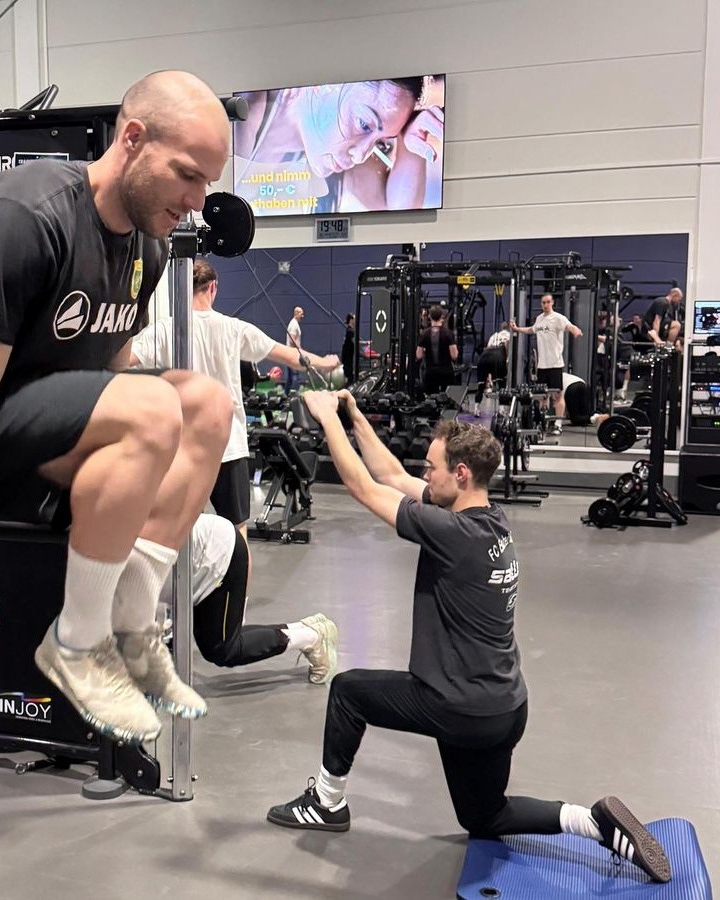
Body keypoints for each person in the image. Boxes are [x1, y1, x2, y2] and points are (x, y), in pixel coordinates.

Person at [0, 70, 236, 744]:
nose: (196, 203)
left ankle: (132, 629)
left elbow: (111, 367)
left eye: (207, 185)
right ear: (132, 139)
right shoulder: (28, 214)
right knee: (158, 408)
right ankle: (77, 644)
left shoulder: (149, 247)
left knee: (208, 405)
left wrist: (165, 466)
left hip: (33, 415)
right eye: (188, 175)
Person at [264, 390, 673, 885]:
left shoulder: (450, 533)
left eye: (433, 467)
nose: (425, 474)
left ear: (460, 474)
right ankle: (592, 823)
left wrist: (326, 418)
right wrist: (354, 415)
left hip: (458, 708)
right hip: (505, 707)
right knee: (483, 817)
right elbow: (392, 475)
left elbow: (361, 487)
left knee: (349, 691)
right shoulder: (488, 521)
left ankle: (327, 803)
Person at [131, 259, 339, 537]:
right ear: (213, 287)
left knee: (176, 532)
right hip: (227, 445)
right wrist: (325, 362)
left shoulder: (163, 330)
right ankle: (236, 581)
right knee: (238, 532)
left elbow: (120, 361)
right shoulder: (234, 328)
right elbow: (291, 356)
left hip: (183, 449)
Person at [162, 513, 338, 682]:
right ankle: (304, 627)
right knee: (213, 641)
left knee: (223, 649)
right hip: (201, 555)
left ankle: (311, 637)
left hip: (218, 555)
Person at [232, 76, 446, 214]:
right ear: (322, 84)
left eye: (381, 141)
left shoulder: (337, 152)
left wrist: (411, 142)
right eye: (363, 123)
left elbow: (402, 212)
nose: (361, 155)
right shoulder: (247, 108)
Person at [509, 294, 582, 435]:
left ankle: (558, 423)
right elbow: (532, 330)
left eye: (548, 302)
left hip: (555, 364)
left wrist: (575, 330)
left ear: (552, 303)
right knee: (543, 396)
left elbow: (569, 326)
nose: (546, 305)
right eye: (543, 302)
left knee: (558, 395)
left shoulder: (558, 318)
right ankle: (544, 421)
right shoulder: (539, 319)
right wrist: (517, 329)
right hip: (542, 365)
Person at [417, 304, 458, 398]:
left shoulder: (424, 334)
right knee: (446, 399)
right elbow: (454, 355)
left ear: (430, 317)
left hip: (430, 372)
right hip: (446, 372)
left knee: (431, 399)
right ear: (442, 317)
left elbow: (418, 355)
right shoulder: (449, 333)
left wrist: (425, 352)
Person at [284, 306, 306, 392]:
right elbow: (292, 339)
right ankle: (293, 397)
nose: (302, 316)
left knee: (290, 377)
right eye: (301, 314)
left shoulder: (294, 323)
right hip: (292, 355)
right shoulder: (294, 324)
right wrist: (300, 350)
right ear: (296, 313)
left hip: (291, 353)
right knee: (294, 376)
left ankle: (286, 395)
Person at [341, 313, 358, 384]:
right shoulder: (350, 331)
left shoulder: (350, 330)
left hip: (348, 356)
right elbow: (354, 341)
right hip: (347, 356)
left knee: (349, 374)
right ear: (351, 320)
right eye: (354, 319)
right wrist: (366, 343)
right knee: (349, 375)